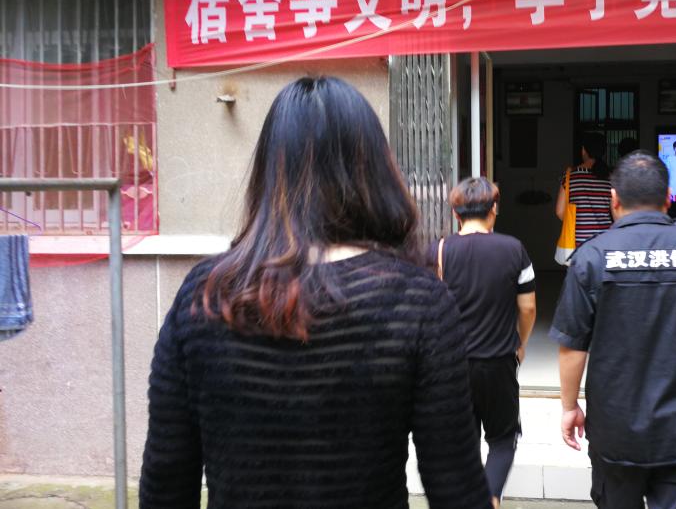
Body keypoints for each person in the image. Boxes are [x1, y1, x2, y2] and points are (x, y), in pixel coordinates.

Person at [139, 77, 491, 509]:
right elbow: (458, 490)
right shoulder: (418, 303)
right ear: (375, 171)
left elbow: (165, 484)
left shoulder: (203, 295)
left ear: (269, 172)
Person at [549, 151, 676, 509]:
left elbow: (572, 346)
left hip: (616, 430)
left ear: (614, 199)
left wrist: (570, 406)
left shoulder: (591, 258)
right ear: (668, 199)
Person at [432, 177, 537, 508]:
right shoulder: (513, 249)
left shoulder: (440, 251)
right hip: (498, 362)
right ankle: (490, 499)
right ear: (494, 209)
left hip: (453, 366)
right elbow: (528, 308)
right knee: (502, 440)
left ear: (455, 213)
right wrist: (520, 344)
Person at [555, 132, 613, 251]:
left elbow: (560, 212)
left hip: (578, 246)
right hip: (606, 244)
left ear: (583, 150)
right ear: (603, 152)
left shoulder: (569, 177)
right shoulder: (611, 178)